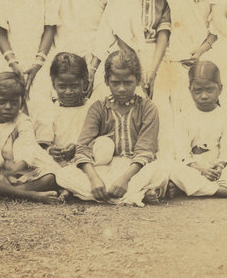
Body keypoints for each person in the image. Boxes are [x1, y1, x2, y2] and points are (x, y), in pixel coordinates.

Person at [61, 49, 170, 206]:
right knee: (63, 175)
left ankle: (110, 196)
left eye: (128, 82)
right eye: (115, 83)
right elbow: (82, 148)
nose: (121, 89)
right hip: (105, 169)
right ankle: (135, 195)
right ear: (106, 80)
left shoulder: (147, 107)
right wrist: (94, 179)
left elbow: (146, 150)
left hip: (136, 169)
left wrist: (124, 180)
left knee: (162, 170)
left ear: (138, 80)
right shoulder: (98, 108)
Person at [0, 72, 59, 202]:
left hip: (19, 170)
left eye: (13, 102)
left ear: (22, 103)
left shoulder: (23, 121)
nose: (8, 107)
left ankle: (0, 192)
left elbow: (27, 147)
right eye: (2, 102)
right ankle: (30, 195)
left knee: (50, 178)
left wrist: (15, 168)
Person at [167, 61, 227, 199]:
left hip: (217, 169)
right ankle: (225, 192)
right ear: (190, 89)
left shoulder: (226, 117)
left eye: (209, 90)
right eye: (198, 91)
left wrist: (219, 167)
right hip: (193, 167)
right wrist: (201, 170)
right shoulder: (183, 117)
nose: (204, 96)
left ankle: (187, 189)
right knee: (175, 171)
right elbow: (182, 153)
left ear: (220, 89)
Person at [157, 0, 218, 118]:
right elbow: (167, 26)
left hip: (210, 49)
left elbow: (217, 28)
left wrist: (201, 50)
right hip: (177, 52)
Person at [33, 53, 95, 195]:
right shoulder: (48, 110)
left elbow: (98, 138)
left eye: (74, 86)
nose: (68, 92)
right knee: (47, 170)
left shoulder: (92, 108)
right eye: (62, 86)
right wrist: (51, 150)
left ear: (85, 82)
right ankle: (65, 187)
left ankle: (66, 188)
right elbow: (43, 145)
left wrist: (78, 148)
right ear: (53, 83)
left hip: (86, 162)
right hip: (56, 163)